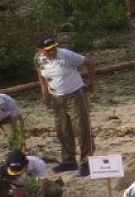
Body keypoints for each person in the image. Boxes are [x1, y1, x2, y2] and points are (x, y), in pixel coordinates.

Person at [34, 36, 95, 175]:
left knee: (81, 128)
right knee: (62, 129)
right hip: (56, 97)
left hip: (74, 94)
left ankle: (87, 162)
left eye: (53, 48)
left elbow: (90, 63)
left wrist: (91, 83)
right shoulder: (38, 59)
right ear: (40, 50)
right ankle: (69, 160)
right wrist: (45, 93)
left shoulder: (67, 55)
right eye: (47, 50)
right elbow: (41, 75)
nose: (51, 51)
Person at [0, 149, 64, 197]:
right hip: (13, 189)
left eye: (19, 171)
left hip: (34, 185)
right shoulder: (1, 168)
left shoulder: (37, 163)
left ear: (27, 163)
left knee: (55, 190)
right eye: (13, 172)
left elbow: (43, 183)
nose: (16, 175)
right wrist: (12, 191)